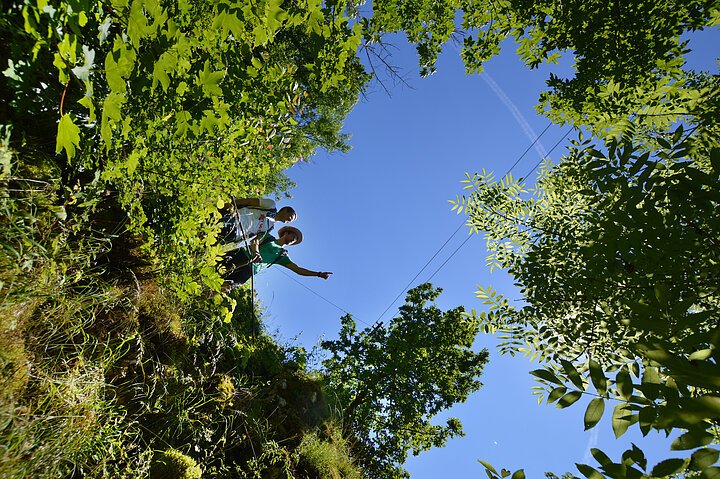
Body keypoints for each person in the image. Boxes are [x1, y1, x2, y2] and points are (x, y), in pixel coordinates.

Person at [221, 226, 332, 291]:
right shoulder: (268, 237)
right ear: (286, 233)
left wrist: (318, 274)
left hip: (249, 270)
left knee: (226, 286)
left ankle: (204, 296)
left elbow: (298, 270)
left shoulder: (282, 255)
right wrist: (256, 252)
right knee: (215, 266)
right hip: (240, 255)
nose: (293, 240)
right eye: (293, 236)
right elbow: (254, 241)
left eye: (295, 240)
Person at [219, 198, 296, 250]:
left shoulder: (270, 228)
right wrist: (230, 205)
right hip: (233, 219)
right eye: (290, 217)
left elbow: (255, 239)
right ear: (285, 210)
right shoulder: (271, 206)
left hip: (234, 235)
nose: (289, 220)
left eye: (290, 221)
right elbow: (248, 201)